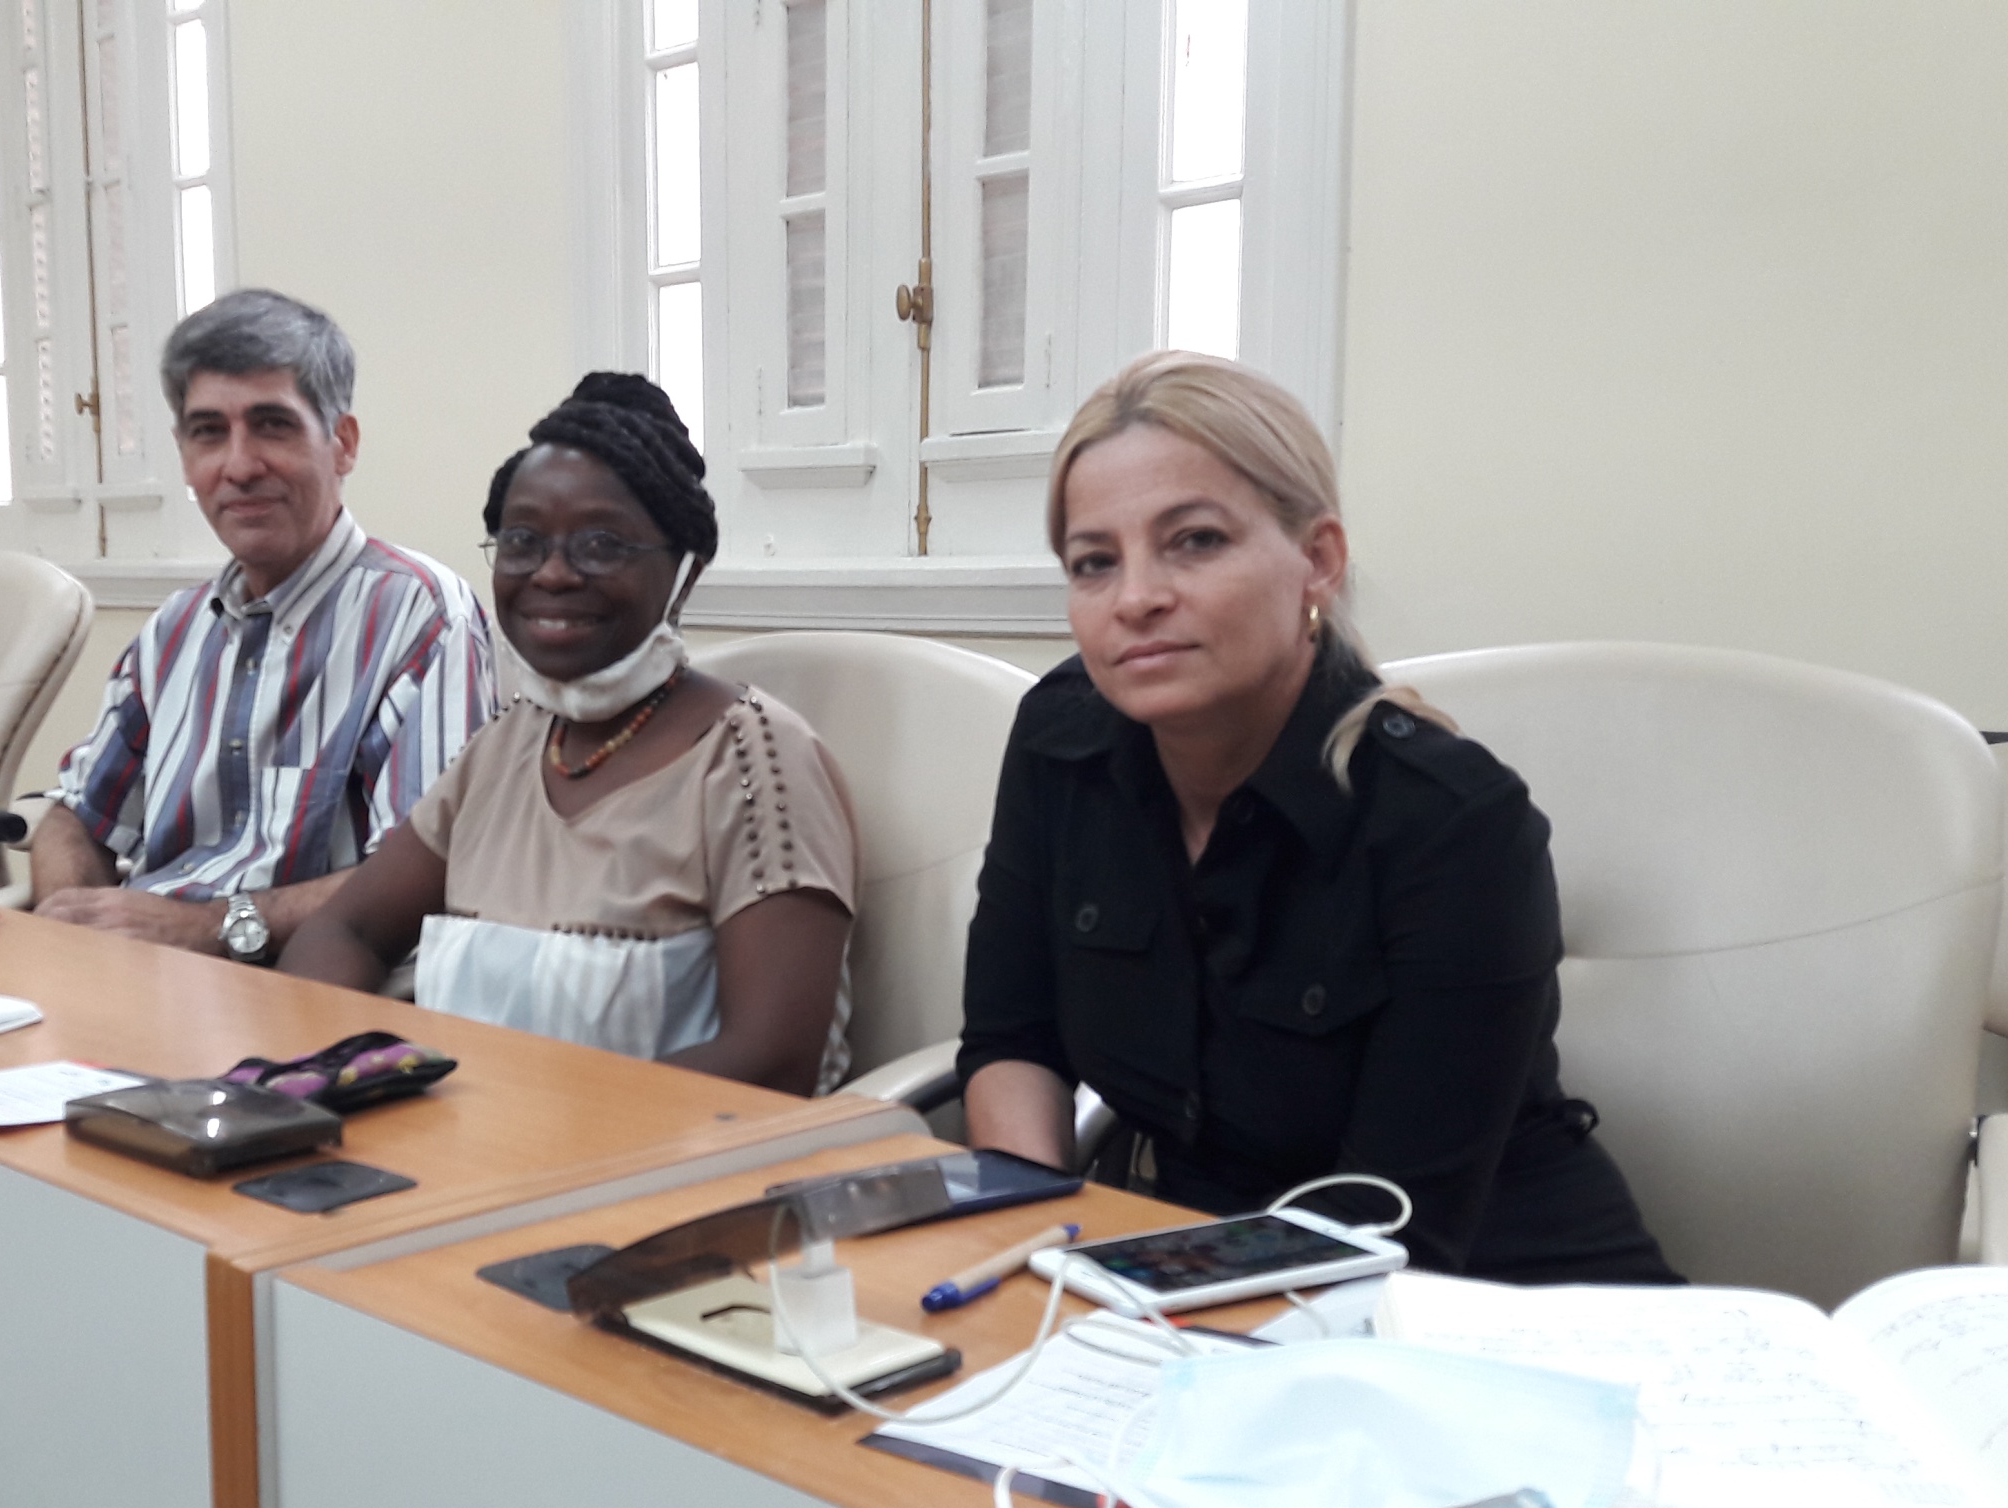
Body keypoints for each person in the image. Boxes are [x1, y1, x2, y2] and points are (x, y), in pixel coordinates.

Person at [958, 350, 1674, 1283]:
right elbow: (1014, 1041)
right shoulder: (1063, 743)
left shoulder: (1456, 827)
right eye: (1095, 563)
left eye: (1196, 541)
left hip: (1495, 1306)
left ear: (1317, 561)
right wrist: (1034, 1250)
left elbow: (1390, 1229)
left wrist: (1128, 1306)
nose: (1136, 598)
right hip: (1186, 1293)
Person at [280, 374, 859, 1094]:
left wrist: (530, 1140)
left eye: (602, 545)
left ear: (687, 569)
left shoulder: (755, 760)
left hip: (674, 1179)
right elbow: (346, 932)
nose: (552, 573)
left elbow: (772, 1062)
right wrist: (355, 1073)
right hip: (466, 1164)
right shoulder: (508, 745)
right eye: (522, 541)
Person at [31, 289, 495, 961]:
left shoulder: (422, 616)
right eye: (208, 432)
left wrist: (207, 925)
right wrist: (72, 927)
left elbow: (426, 876)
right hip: (140, 978)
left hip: (304, 990)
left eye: (272, 425)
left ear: (342, 444)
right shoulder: (175, 630)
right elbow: (75, 816)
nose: (239, 466)